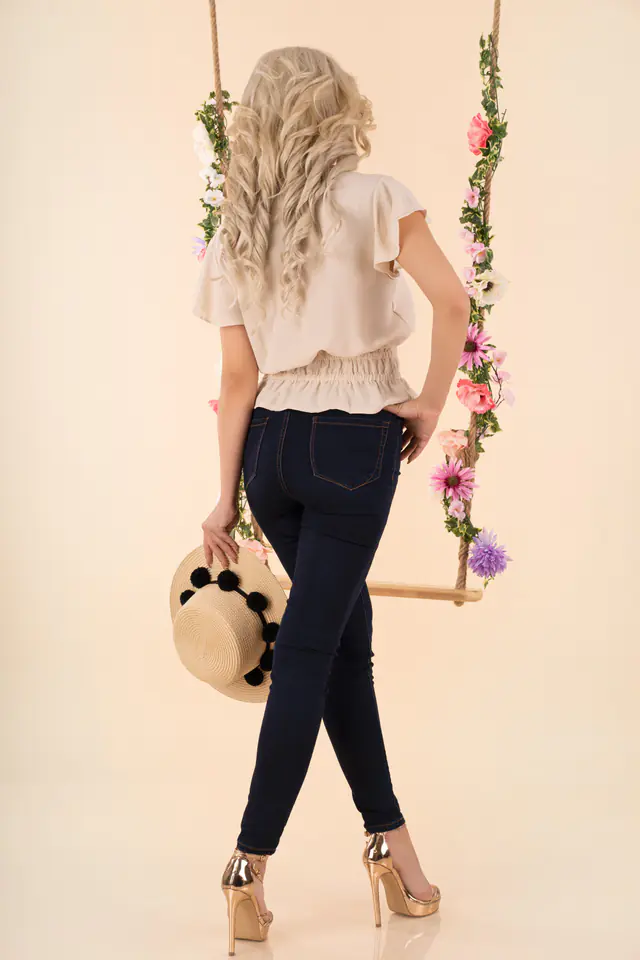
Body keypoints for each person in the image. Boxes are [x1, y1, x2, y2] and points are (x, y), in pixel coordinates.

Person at [194, 46, 469, 954]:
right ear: (338, 109)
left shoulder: (240, 226)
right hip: (353, 446)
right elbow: (453, 302)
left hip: (270, 453)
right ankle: (248, 861)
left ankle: (392, 849)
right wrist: (428, 403)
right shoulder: (377, 198)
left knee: (345, 644)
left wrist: (224, 499)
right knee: (312, 652)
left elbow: (238, 381)